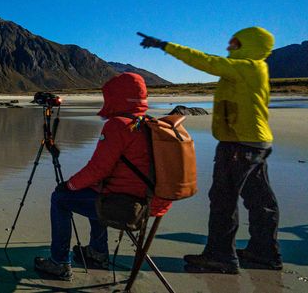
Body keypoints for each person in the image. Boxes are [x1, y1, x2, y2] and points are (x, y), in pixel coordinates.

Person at [139, 27, 282, 273]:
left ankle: (220, 256)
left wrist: (164, 45)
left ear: (250, 45)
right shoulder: (254, 69)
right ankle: (264, 252)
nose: (229, 46)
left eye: (235, 43)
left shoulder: (246, 67)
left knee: (223, 201)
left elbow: (205, 61)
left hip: (239, 145)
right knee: (260, 200)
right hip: (256, 142)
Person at [34, 72, 171, 281]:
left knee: (59, 199)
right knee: (93, 190)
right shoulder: (147, 123)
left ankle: (59, 262)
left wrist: (69, 185)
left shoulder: (119, 125)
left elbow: (98, 169)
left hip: (125, 205)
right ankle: (98, 252)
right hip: (147, 201)